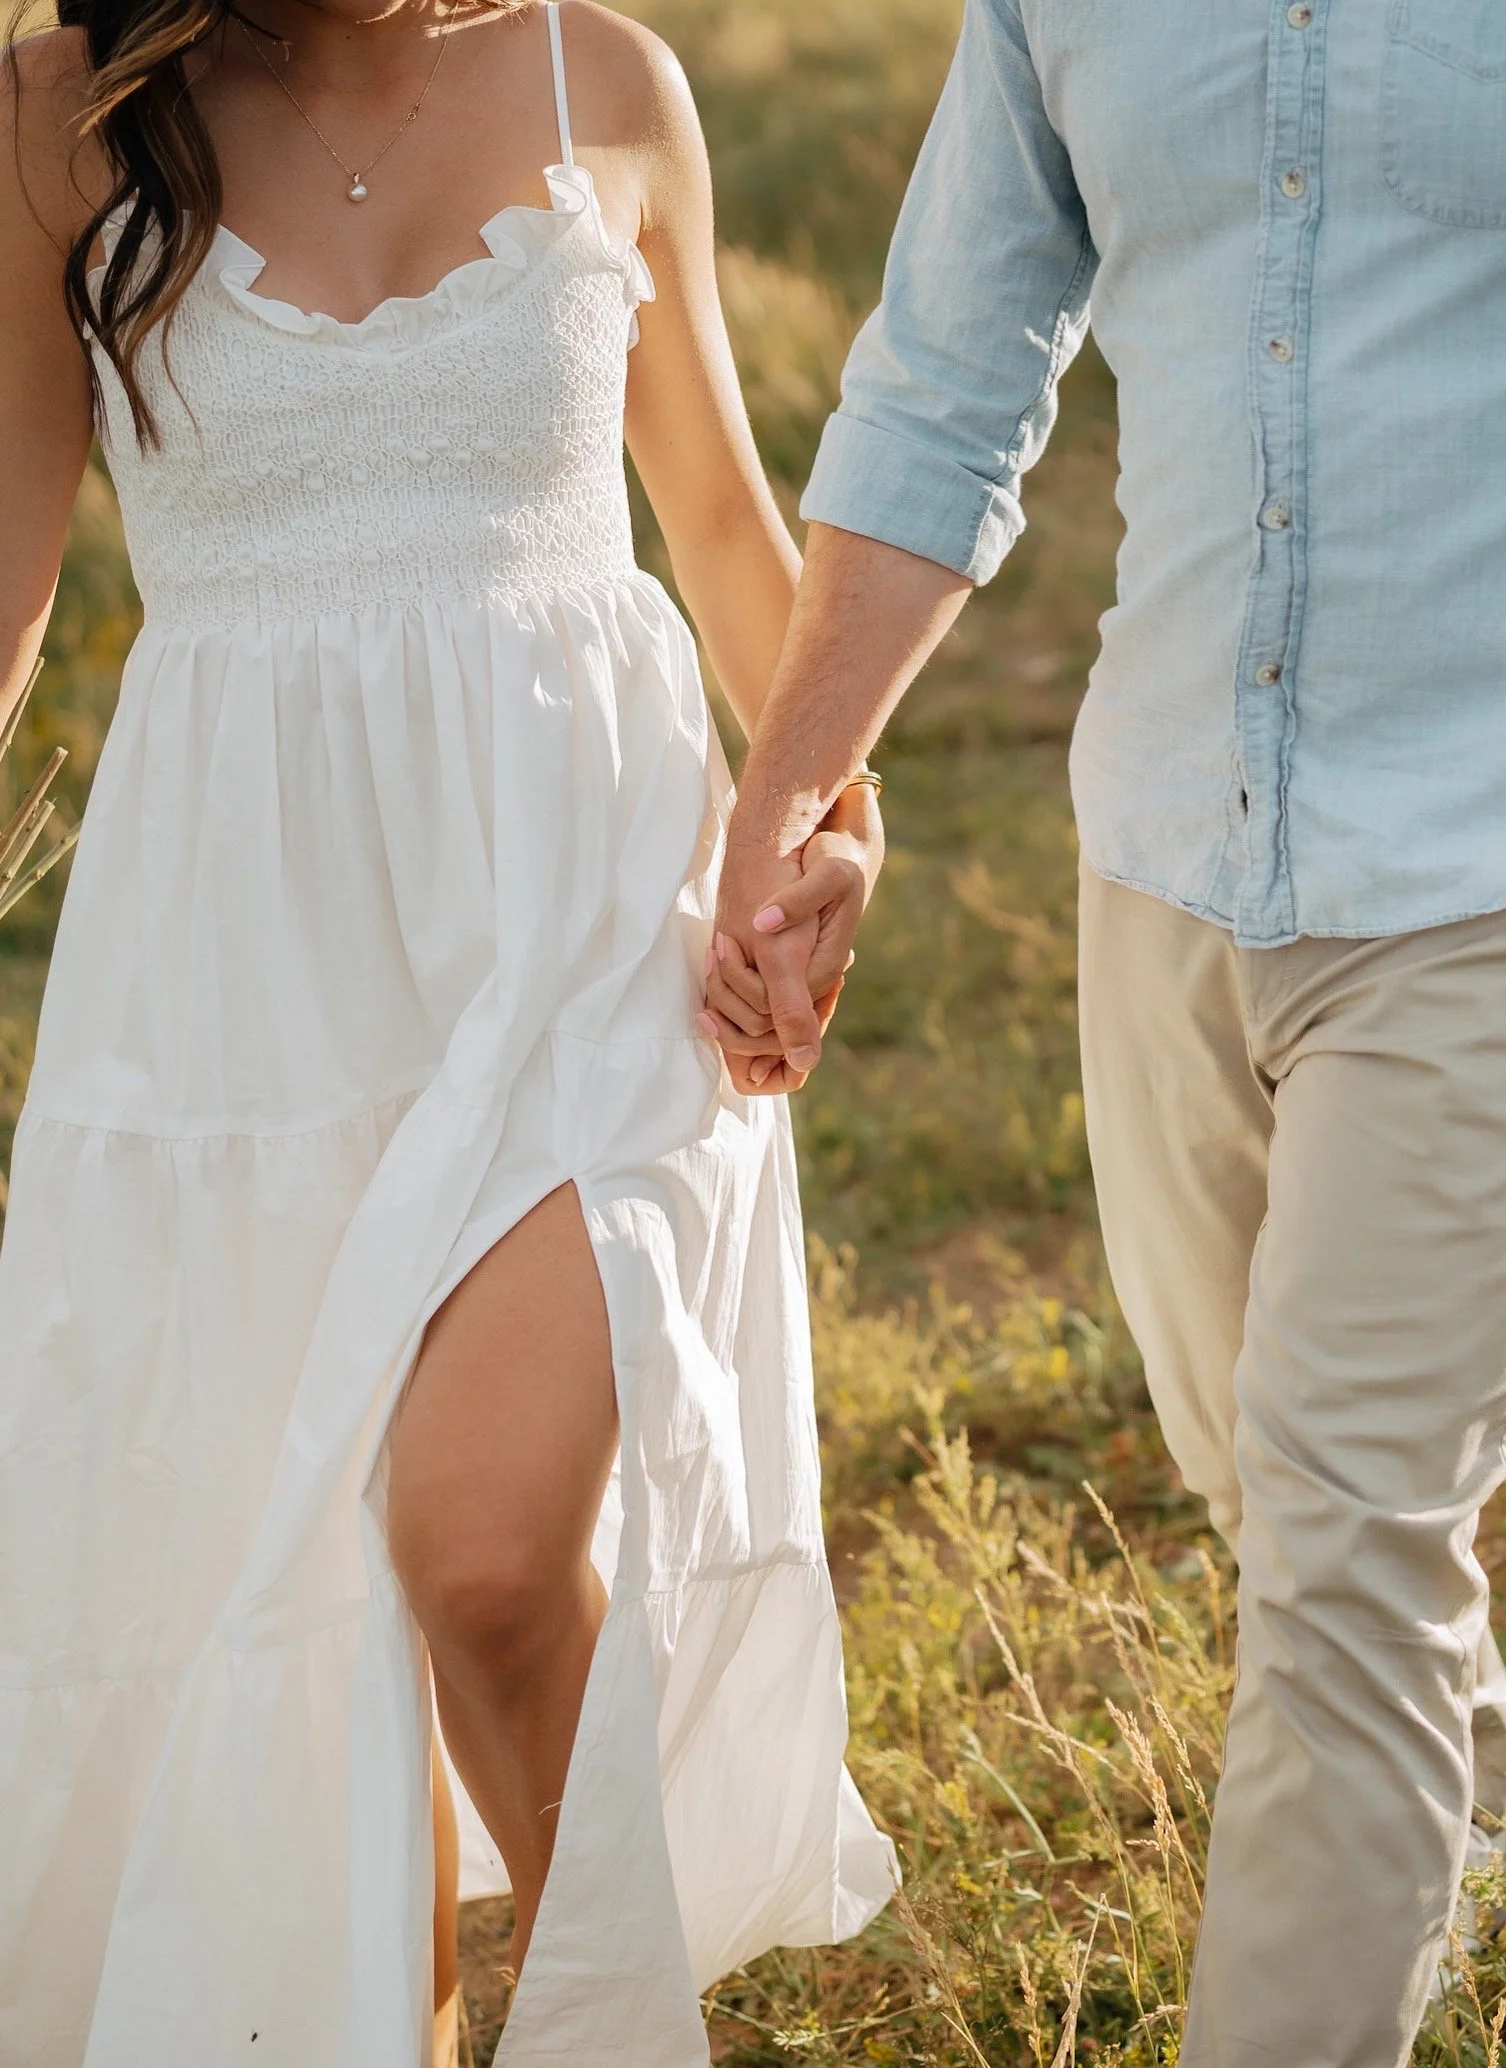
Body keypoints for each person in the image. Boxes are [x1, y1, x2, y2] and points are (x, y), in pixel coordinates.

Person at [701, 4, 1506, 2063]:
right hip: (1166, 843)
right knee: (1261, 1469)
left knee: (1340, 1538)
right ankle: (1475, 1839)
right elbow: (948, 376)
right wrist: (788, 789)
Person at [0, 2, 893, 2061]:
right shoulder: (67, 121)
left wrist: (844, 842)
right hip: (243, 989)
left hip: (593, 943)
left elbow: (737, 561)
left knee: (478, 1557)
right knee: (284, 1658)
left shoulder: (607, 78)